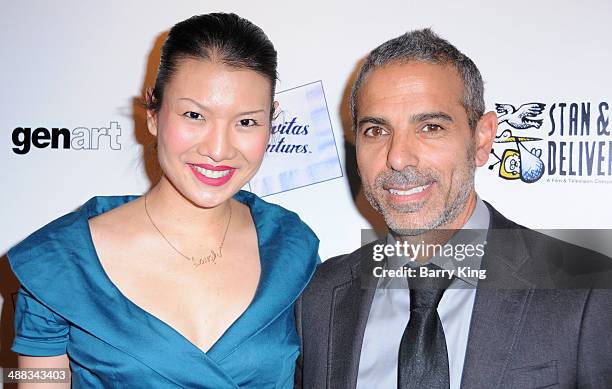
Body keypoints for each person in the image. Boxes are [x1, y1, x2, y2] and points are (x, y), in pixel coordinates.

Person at [7, 13, 318, 388]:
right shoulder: (58, 265)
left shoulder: (292, 248)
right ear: (153, 113)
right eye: (193, 115)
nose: (218, 149)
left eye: (246, 122)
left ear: (272, 122)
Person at [295, 29, 612, 388]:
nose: (398, 158)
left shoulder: (589, 292)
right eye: (376, 131)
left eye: (430, 127)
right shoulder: (318, 298)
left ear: (482, 139)